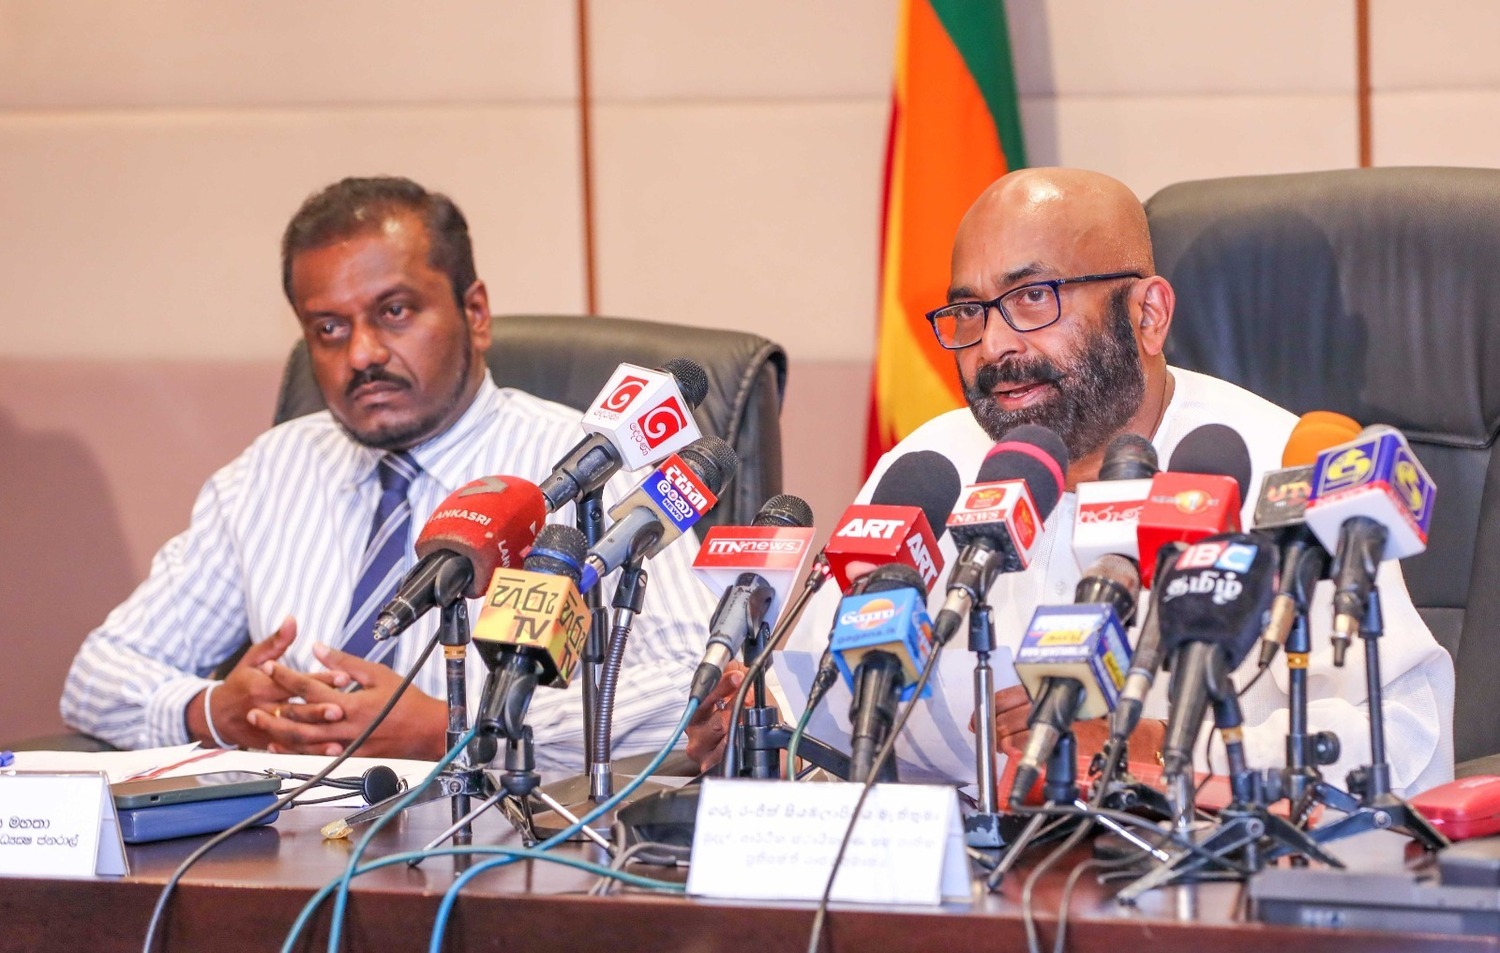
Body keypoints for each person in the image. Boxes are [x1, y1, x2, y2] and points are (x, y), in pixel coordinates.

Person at [691, 168, 1454, 796]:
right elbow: (822, 698)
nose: (993, 344)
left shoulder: (1283, 471)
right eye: (969, 310)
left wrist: (1155, 746)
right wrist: (760, 723)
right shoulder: (929, 470)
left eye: (1032, 297)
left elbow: (1408, 742)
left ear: (1148, 314)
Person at [61, 176, 716, 775]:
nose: (362, 354)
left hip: (503, 839)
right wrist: (214, 711)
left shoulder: (591, 465)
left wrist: (451, 728)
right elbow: (96, 676)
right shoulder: (270, 471)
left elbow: (697, 689)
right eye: (328, 328)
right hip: (285, 842)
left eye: (395, 312)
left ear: (475, 313)